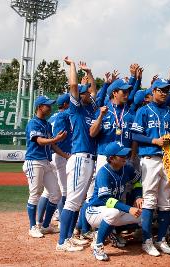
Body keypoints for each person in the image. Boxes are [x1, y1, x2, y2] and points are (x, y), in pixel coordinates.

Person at [131, 78, 170, 256]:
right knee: (149, 200)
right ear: (153, 91)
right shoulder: (143, 111)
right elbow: (135, 135)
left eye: (166, 90)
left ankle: (161, 239)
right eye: (160, 90)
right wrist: (153, 140)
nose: (163, 93)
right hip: (150, 158)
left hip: (168, 160)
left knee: (167, 201)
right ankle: (147, 241)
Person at [56, 57, 98, 252]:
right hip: (80, 157)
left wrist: (89, 73)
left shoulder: (90, 108)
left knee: (77, 202)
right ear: (79, 96)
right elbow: (73, 84)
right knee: (72, 201)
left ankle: (70, 237)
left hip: (89, 158)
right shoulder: (76, 109)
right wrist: (72, 65)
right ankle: (62, 242)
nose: (88, 92)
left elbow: (95, 90)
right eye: (85, 91)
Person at [86, 142, 142, 261]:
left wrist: (138, 196)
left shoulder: (127, 168)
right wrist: (129, 209)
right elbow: (107, 200)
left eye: (125, 154)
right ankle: (98, 245)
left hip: (113, 209)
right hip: (95, 211)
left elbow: (137, 181)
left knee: (142, 216)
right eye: (121, 156)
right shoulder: (103, 172)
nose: (125, 158)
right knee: (113, 212)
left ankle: (109, 233)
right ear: (111, 158)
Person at [23, 95, 69, 238]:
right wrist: (56, 138)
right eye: (47, 105)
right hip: (34, 161)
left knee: (55, 194)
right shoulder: (33, 123)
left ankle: (45, 225)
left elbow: (52, 145)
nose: (50, 107)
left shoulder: (47, 124)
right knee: (35, 194)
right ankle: (33, 227)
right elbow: (40, 141)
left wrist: (66, 156)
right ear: (39, 107)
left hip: (46, 161)